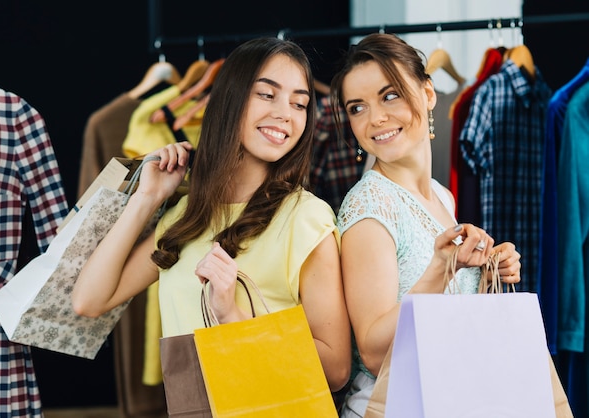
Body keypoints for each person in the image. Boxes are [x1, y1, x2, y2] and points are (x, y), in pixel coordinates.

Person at [72, 37, 352, 394]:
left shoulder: (306, 217)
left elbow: (336, 368)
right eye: (267, 94)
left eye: (300, 103)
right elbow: (89, 301)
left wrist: (234, 319)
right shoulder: (184, 218)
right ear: (228, 100)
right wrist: (148, 196)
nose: (285, 112)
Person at [328, 33, 522, 417]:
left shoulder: (441, 197)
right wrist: (440, 268)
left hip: (448, 397)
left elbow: (448, 320)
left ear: (428, 94)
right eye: (357, 108)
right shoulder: (369, 205)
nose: (376, 118)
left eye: (390, 95)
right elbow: (373, 351)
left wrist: (489, 272)